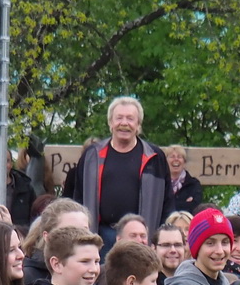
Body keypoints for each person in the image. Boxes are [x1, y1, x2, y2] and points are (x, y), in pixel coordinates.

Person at [61, 96, 172, 242]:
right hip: (99, 235)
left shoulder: (155, 157)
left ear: (138, 124)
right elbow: (78, 197)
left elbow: (167, 202)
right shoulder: (92, 155)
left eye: (130, 118)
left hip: (141, 236)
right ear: (110, 122)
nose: (124, 123)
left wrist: (159, 238)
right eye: (119, 118)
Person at [19, 198, 91, 285]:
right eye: (69, 231)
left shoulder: (90, 275)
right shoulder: (28, 278)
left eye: (84, 231)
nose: (79, 237)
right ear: (47, 237)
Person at [165, 146, 204, 215]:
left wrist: (168, 204)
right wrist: (185, 204)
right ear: (166, 162)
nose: (176, 159)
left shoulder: (193, 184)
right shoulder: (161, 183)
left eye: (179, 157)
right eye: (172, 157)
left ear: (184, 162)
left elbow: (195, 207)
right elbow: (156, 206)